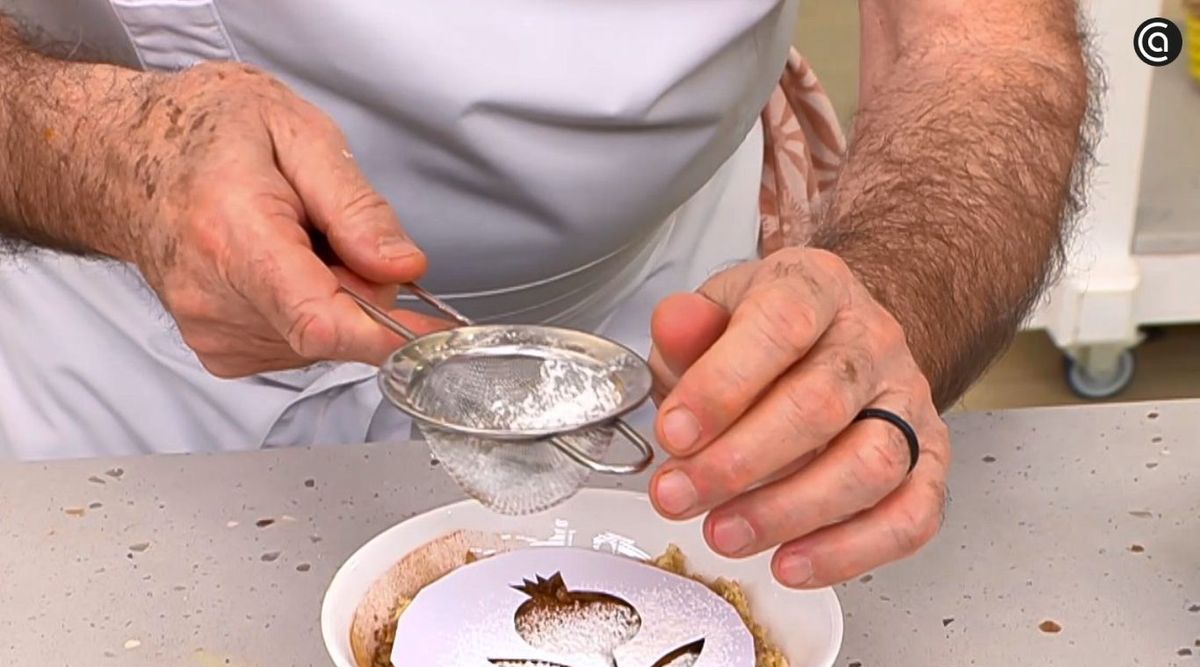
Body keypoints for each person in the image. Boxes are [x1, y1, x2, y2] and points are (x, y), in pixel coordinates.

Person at [0, 2, 1089, 588]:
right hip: (117, 361)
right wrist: (98, 151)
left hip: (665, 314)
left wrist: (889, 295)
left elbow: (986, 38)